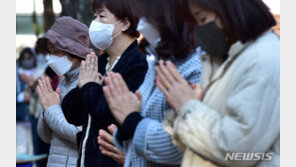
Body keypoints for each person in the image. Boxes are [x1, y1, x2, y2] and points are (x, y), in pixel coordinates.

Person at [154, 0, 279, 166]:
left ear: (230, 9)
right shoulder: (223, 59)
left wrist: (188, 106)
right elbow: (201, 146)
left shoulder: (262, 60)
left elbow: (237, 150)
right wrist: (185, 108)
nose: (199, 30)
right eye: (196, 23)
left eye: (203, 19)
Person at [101, 0, 202, 166]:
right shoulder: (156, 61)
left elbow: (181, 144)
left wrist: (130, 120)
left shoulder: (195, 67)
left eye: (146, 17)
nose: (140, 25)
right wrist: (125, 125)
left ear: (167, 17)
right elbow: (139, 116)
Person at [60, 0, 148, 166]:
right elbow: (72, 114)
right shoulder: (101, 62)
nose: (95, 23)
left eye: (102, 16)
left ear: (124, 24)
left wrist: (88, 87)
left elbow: (112, 115)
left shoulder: (138, 63)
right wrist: (84, 88)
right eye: (94, 17)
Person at [35, 16, 92, 167]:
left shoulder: (89, 82)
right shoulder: (63, 81)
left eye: (56, 52)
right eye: (50, 52)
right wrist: (46, 108)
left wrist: (52, 110)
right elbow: (46, 137)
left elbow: (83, 135)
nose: (51, 58)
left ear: (74, 54)